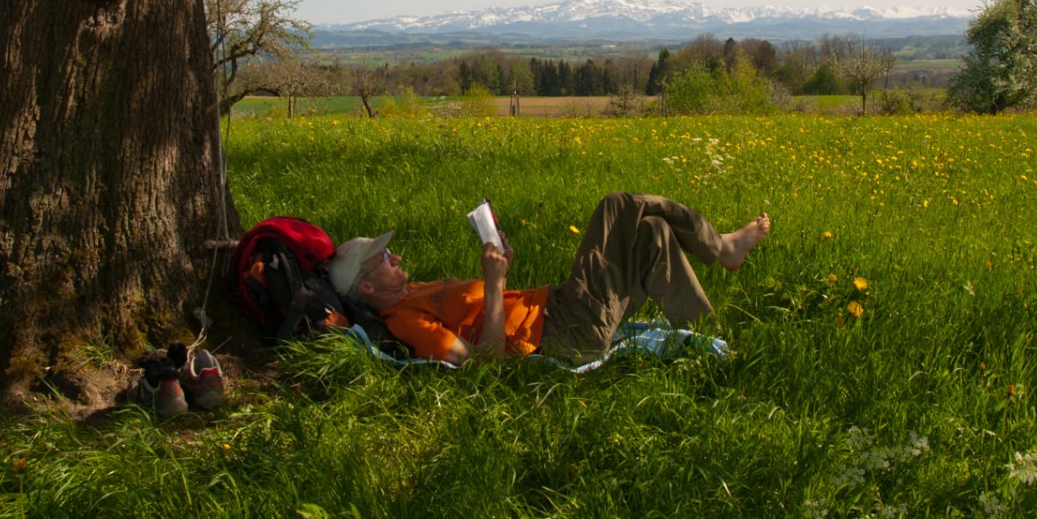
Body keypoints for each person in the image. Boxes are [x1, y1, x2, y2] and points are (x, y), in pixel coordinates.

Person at [326, 192, 771, 364]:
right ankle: (722, 248)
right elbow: (484, 363)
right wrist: (496, 284)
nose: (396, 254)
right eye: (382, 256)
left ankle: (709, 336)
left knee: (652, 231)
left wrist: (502, 272)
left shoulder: (416, 289)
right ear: (365, 287)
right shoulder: (406, 320)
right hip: (565, 330)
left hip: (559, 306)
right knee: (617, 206)